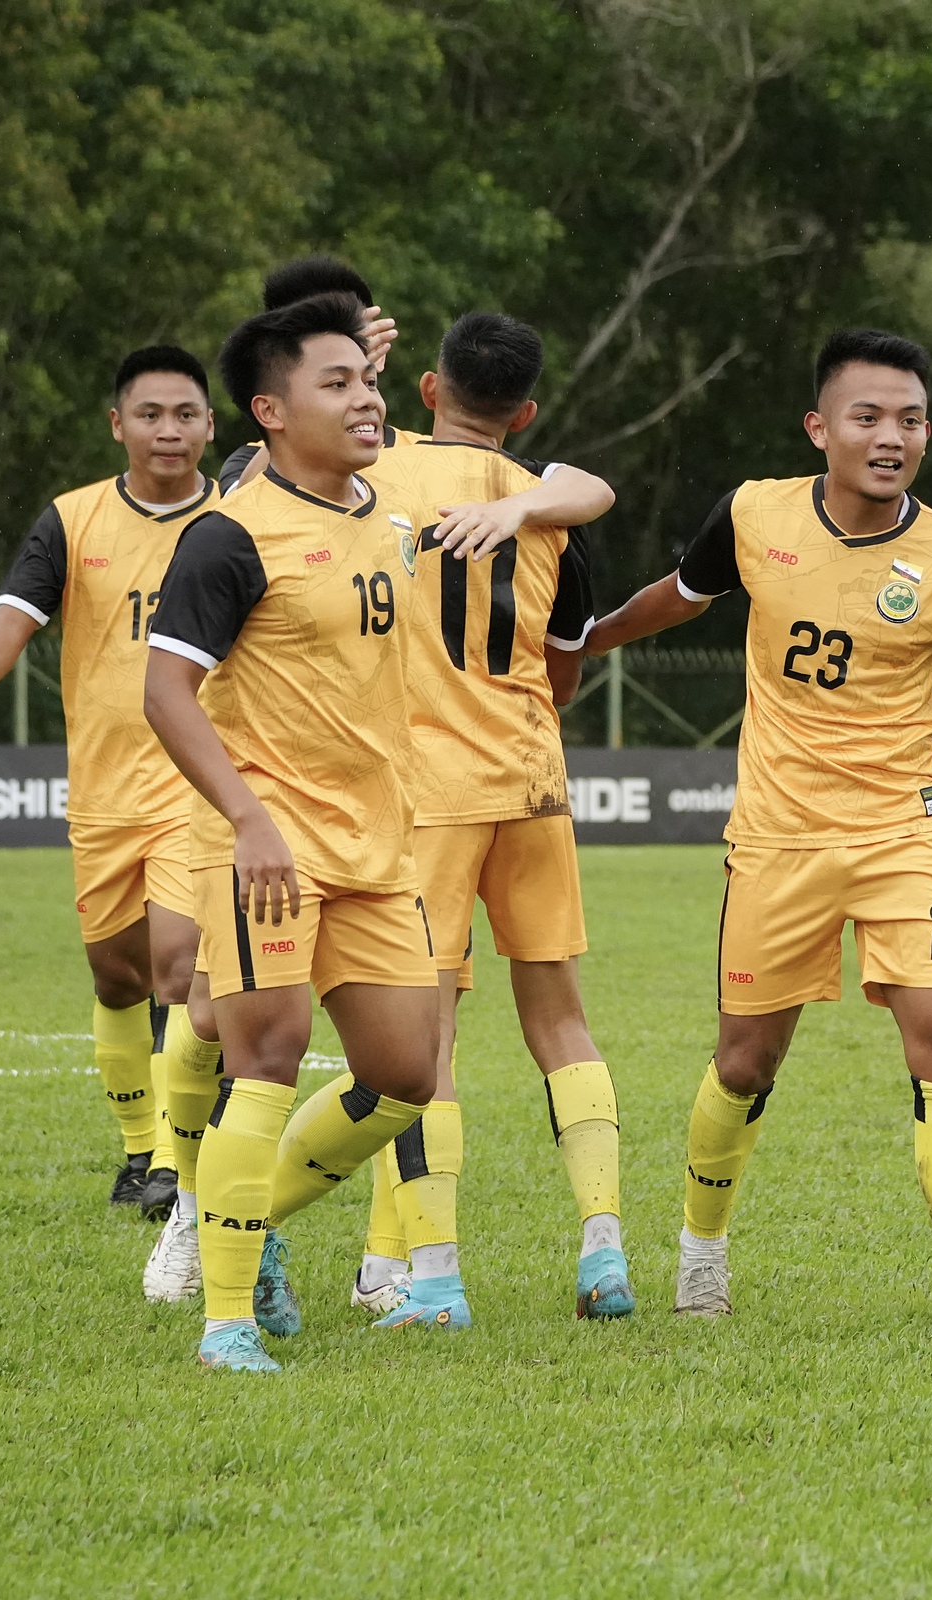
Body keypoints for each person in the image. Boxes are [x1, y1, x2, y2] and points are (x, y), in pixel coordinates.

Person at [583, 328, 932, 1336]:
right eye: (869, 417)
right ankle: (702, 1256)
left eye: (910, 420)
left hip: (901, 835)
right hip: (777, 838)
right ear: (821, 428)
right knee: (744, 1062)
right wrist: (584, 642)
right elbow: (679, 596)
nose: (891, 436)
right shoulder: (753, 512)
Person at [142, 291, 440, 1374]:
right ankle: (226, 1321)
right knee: (264, 1055)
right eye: (338, 383)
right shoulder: (229, 535)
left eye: (367, 380)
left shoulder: (385, 516)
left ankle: (246, 1216)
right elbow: (167, 691)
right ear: (270, 410)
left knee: (405, 1070)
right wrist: (249, 817)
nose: (366, 399)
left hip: (378, 847)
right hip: (269, 846)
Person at [342, 311, 623, 1330]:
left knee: (427, 1038)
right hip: (534, 776)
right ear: (529, 411)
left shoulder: (378, 479)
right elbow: (565, 663)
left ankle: (435, 1276)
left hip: (427, 793)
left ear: (424, 391)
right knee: (562, 1019)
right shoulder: (545, 501)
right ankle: (604, 1249)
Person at [0, 347, 227, 1254]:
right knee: (118, 977)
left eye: (185, 414)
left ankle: (177, 1165)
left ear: (213, 425)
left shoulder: (242, 517)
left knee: (178, 967)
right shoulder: (71, 520)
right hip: (102, 791)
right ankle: (138, 1151)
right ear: (118, 425)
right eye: (149, 414)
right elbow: (13, 617)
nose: (167, 430)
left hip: (200, 784)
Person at [218, 256, 410, 489]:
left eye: (352, 335)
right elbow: (240, 510)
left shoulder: (423, 455)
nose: (342, 348)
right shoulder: (250, 460)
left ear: (381, 351)